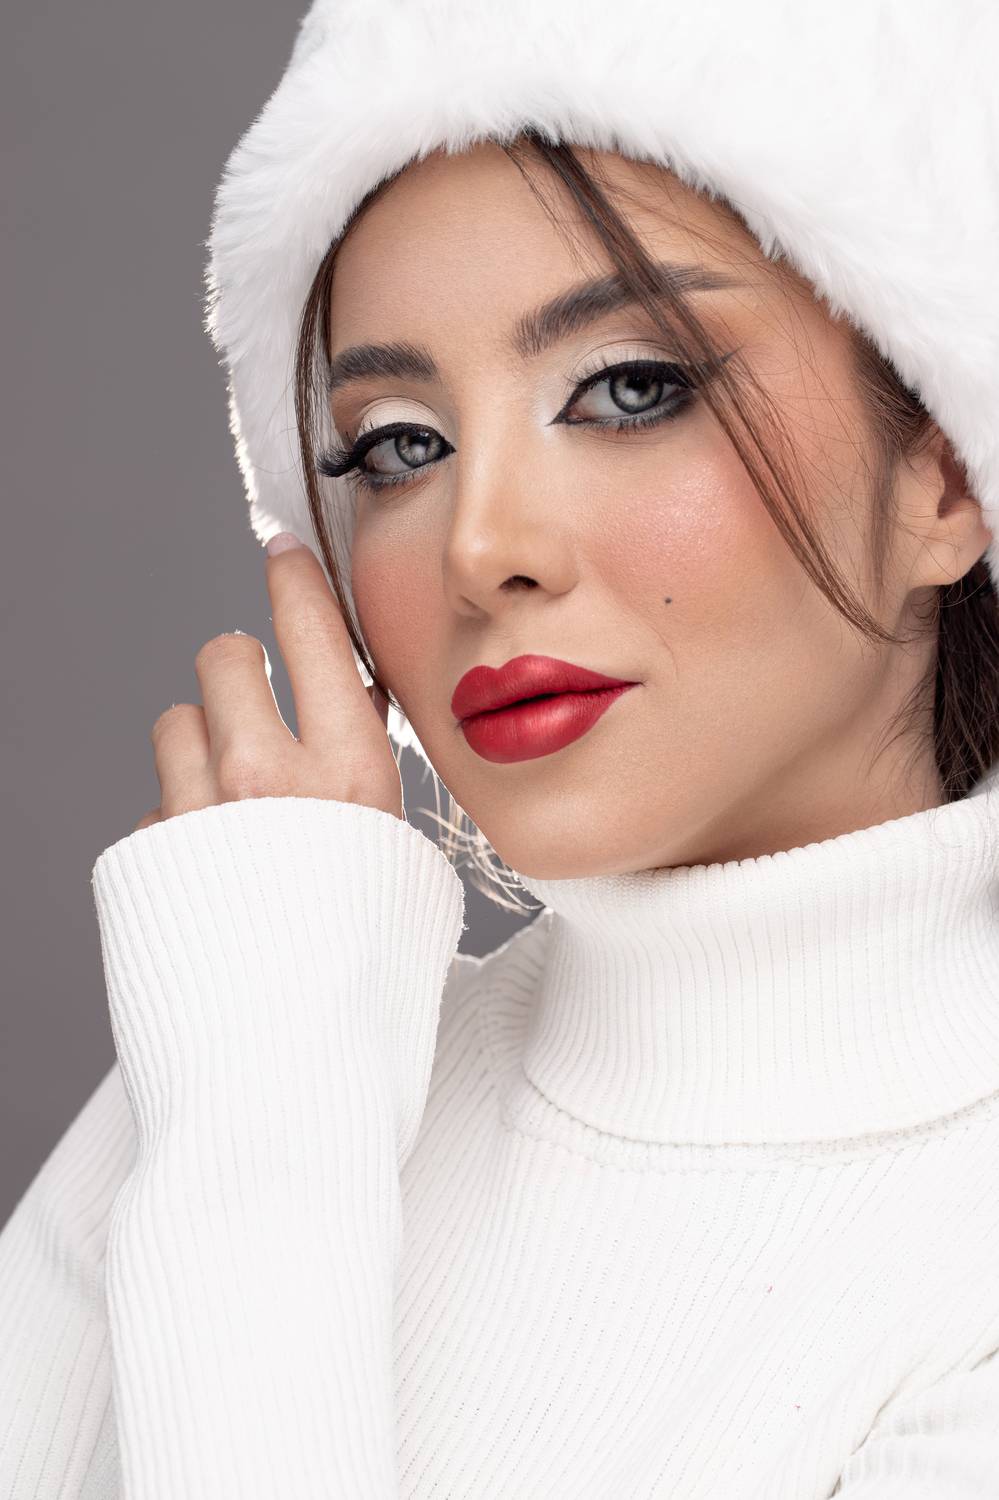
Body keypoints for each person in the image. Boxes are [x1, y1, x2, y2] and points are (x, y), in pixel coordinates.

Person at [2, 1, 999, 1496]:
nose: (479, 547)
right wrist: (255, 1100)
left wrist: (265, 1162)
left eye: (632, 387)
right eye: (399, 445)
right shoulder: (267, 1052)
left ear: (949, 472)